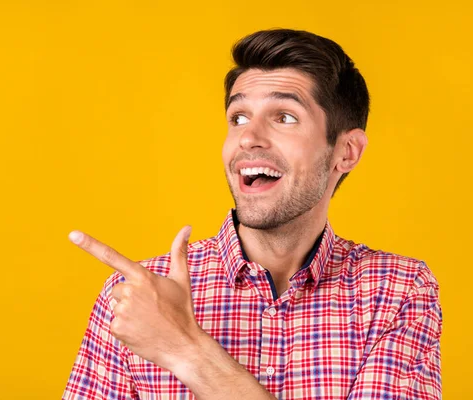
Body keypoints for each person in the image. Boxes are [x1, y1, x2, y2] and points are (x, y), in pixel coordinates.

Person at [63, 29, 442, 400]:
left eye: (285, 117)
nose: (248, 138)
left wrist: (185, 349)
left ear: (346, 152)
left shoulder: (398, 291)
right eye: (239, 117)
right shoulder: (136, 298)